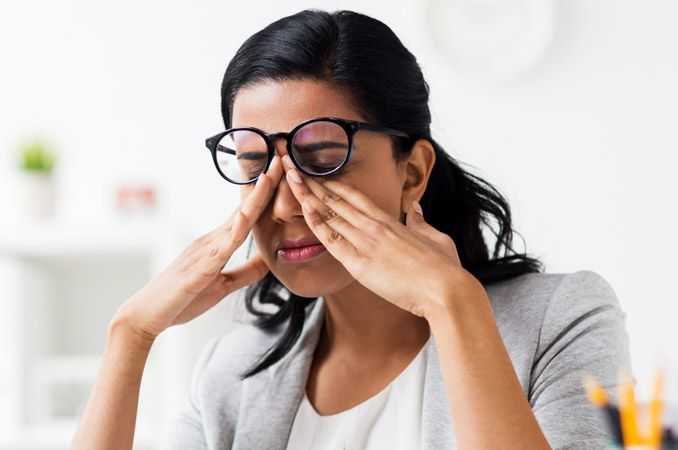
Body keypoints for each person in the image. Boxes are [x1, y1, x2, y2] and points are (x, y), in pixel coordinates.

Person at [71, 9, 633, 450]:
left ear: (411, 172)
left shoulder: (561, 320)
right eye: (254, 165)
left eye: (321, 159)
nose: (285, 204)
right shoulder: (232, 372)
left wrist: (454, 305)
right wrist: (130, 336)